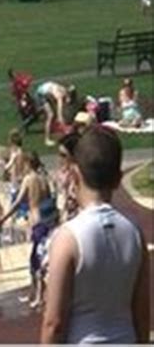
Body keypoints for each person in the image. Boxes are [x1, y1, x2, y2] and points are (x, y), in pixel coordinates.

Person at [41, 127, 149, 343]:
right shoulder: (135, 232)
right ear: (118, 179)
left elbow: (54, 322)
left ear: (75, 174)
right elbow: (142, 312)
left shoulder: (68, 237)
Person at [0, 151, 58, 308]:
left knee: (36, 260)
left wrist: (3, 219)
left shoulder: (29, 179)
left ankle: (38, 295)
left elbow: (18, 202)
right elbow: (52, 197)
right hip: (48, 221)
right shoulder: (43, 179)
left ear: (27, 164)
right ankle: (34, 293)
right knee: (41, 256)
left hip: (36, 222)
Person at [4, 129, 28, 241]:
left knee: (14, 206)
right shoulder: (21, 152)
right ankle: (20, 232)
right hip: (19, 181)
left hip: (15, 183)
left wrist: (3, 165)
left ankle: (11, 233)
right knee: (21, 205)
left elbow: (8, 167)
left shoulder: (15, 154)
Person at [35, 81, 76, 146]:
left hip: (45, 92)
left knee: (53, 113)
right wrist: (61, 119)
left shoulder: (62, 89)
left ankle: (54, 129)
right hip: (41, 95)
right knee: (50, 115)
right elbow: (59, 109)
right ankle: (47, 140)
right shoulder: (59, 95)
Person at [56, 133, 80, 222]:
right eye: (59, 154)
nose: (60, 159)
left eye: (63, 155)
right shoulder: (63, 174)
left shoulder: (80, 177)